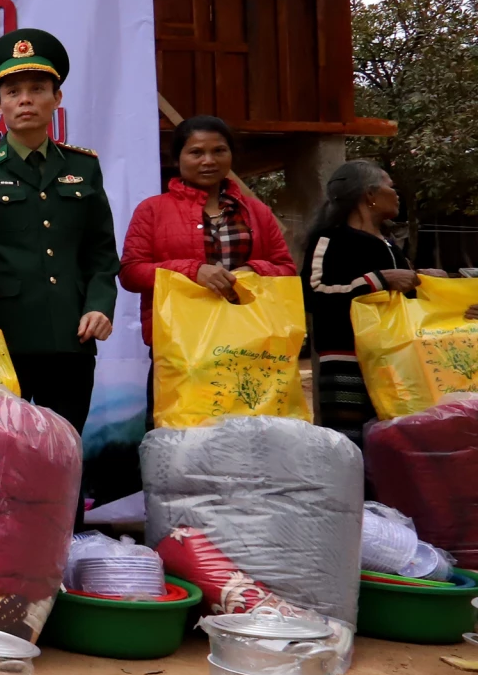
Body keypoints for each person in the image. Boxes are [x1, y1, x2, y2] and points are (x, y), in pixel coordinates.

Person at [0, 29, 119, 501]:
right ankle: (7, 565)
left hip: (71, 335)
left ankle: (64, 561)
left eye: (37, 89)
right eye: (13, 91)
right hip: (2, 335)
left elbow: (101, 251)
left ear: (56, 98)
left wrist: (101, 305)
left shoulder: (83, 167)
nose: (26, 100)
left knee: (64, 456)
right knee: (3, 457)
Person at [118, 115, 296, 464]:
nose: (208, 160)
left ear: (231, 156)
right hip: (181, 347)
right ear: (177, 158)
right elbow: (131, 272)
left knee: (251, 442)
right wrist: (191, 271)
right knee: (178, 440)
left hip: (249, 346)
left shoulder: (256, 212)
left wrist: (253, 270)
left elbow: (286, 268)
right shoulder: (153, 210)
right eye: (196, 152)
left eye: (219, 151)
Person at [301, 159, 471, 448]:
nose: (396, 194)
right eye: (390, 187)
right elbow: (313, 294)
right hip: (347, 360)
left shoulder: (390, 243)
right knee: (351, 445)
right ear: (369, 194)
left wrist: (424, 281)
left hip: (399, 358)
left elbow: (401, 302)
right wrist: (378, 279)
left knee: (394, 441)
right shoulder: (330, 238)